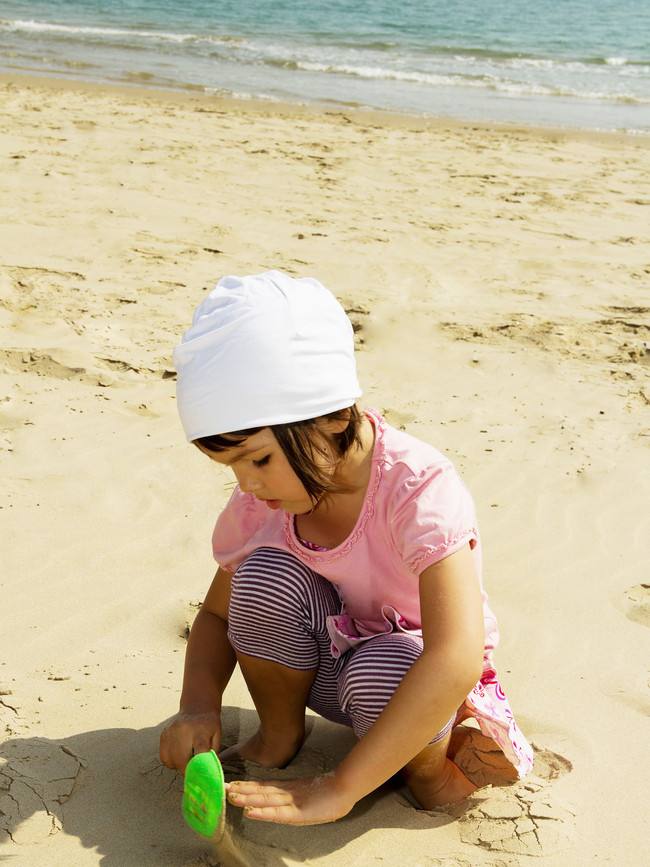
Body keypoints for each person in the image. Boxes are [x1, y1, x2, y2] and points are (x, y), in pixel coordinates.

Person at [159, 270, 533, 826]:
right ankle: (279, 736)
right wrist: (196, 705)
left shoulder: (417, 488)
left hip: (415, 687)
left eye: (258, 459)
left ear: (334, 416)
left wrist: (340, 787)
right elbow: (217, 615)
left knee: (382, 665)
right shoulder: (264, 502)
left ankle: (430, 774)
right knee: (263, 577)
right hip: (325, 670)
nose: (247, 484)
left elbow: (455, 656)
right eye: (231, 466)